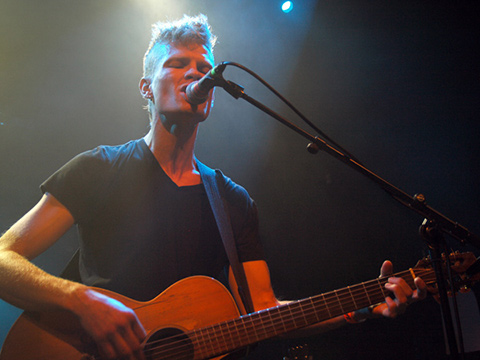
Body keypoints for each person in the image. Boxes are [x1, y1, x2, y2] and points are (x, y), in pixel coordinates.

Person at [0, 14, 426, 360]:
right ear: (147, 88)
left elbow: (262, 309)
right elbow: (4, 258)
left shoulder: (232, 202)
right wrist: (80, 300)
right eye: (177, 64)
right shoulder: (98, 169)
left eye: (204, 68)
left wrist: (361, 306)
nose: (195, 74)